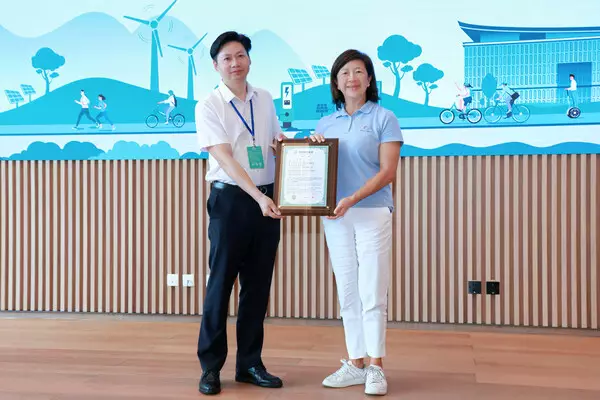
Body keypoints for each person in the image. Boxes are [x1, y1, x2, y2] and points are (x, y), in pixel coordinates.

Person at [195, 31, 285, 396]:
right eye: (227, 58)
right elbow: (225, 158)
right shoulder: (209, 105)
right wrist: (258, 198)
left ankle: (249, 364)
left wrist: (306, 148)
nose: (235, 63)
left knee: (257, 287)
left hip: (266, 199)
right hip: (231, 201)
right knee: (220, 286)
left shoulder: (264, 98)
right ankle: (210, 367)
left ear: (249, 59)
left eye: (240, 55)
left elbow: (276, 142)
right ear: (216, 66)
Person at [309, 49, 403, 396]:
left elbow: (388, 172)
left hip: (371, 211)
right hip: (335, 215)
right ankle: (355, 362)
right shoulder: (325, 124)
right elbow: (314, 168)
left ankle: (376, 365)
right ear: (336, 82)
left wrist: (352, 198)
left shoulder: (384, 118)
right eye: (345, 72)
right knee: (347, 290)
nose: (352, 78)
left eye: (359, 71)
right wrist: (311, 149)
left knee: (372, 291)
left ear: (369, 79)